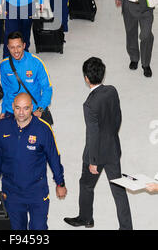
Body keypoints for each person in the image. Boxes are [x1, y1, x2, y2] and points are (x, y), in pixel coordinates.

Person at [64, 57, 133, 230]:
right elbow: (118, 117)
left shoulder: (89, 105)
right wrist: (111, 136)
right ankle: (126, 227)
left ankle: (86, 218)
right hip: (113, 149)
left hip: (95, 154)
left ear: (86, 78)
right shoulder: (112, 91)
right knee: (119, 190)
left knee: (86, 184)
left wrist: (93, 161)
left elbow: (92, 134)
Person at [0, 92, 67, 230]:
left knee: (39, 228)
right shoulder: (3, 127)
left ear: (32, 108)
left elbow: (54, 157)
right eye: (18, 108)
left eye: (26, 108)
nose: (21, 113)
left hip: (36, 192)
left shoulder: (43, 129)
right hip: (11, 192)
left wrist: (60, 183)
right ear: (12, 107)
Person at [0, 32, 53, 118]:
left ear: (24, 45)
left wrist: (40, 109)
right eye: (12, 47)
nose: (16, 51)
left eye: (19, 46)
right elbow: (5, 90)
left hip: (33, 110)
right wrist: (3, 110)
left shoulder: (37, 62)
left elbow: (47, 88)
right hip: (12, 110)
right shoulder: (4, 65)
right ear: (8, 47)